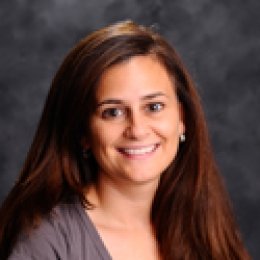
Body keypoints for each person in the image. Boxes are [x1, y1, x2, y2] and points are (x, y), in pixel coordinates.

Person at [0, 20, 250, 260]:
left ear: (182, 117)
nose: (138, 130)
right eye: (113, 112)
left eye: (154, 106)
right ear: (83, 133)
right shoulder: (46, 241)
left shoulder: (204, 227)